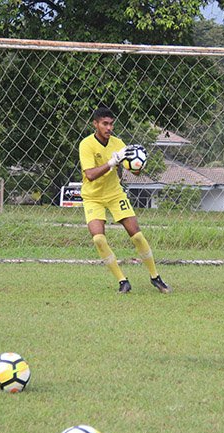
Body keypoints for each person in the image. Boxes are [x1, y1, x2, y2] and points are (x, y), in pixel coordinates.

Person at [79, 107, 172, 294]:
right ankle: (123, 281)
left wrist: (138, 162)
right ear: (95, 124)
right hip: (93, 197)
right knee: (98, 239)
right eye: (104, 124)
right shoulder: (86, 144)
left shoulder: (118, 143)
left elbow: (133, 170)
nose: (109, 127)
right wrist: (112, 163)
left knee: (136, 235)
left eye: (111, 124)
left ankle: (155, 277)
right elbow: (89, 175)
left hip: (115, 194)